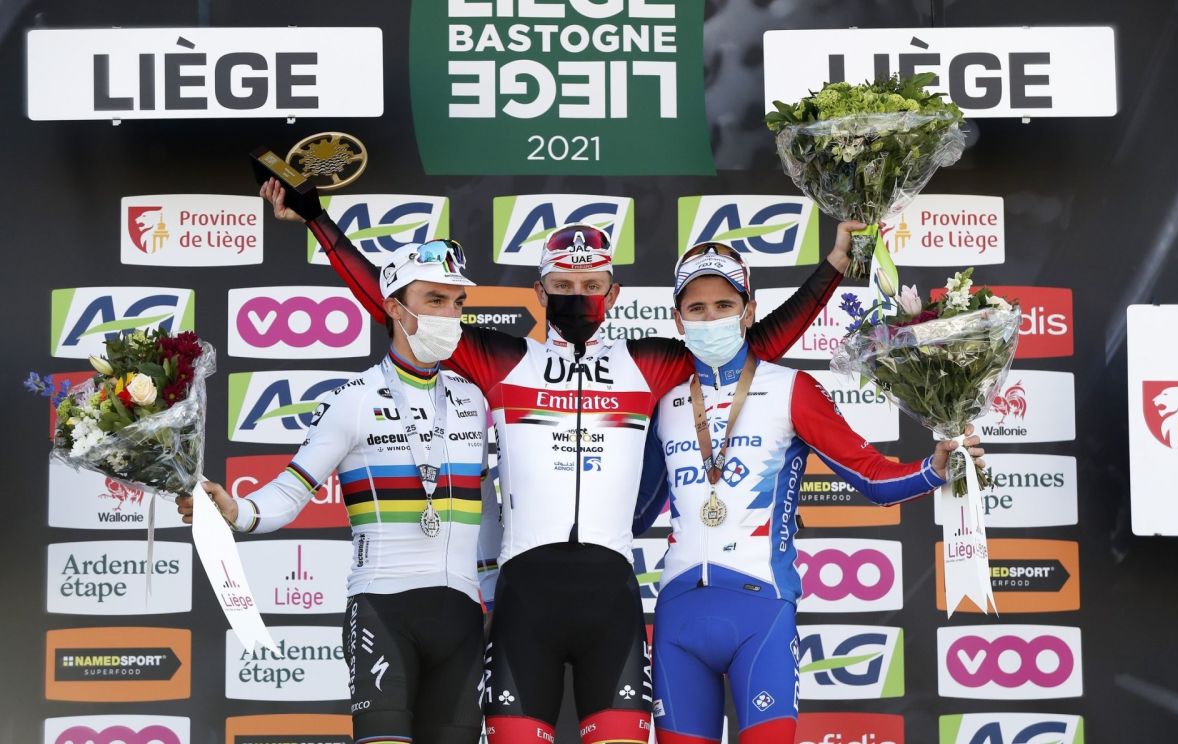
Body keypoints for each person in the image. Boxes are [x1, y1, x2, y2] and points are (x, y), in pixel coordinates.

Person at [259, 178, 853, 744]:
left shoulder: (645, 364)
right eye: (563, 285)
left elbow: (754, 349)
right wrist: (318, 221)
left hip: (611, 598)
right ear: (539, 293)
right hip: (524, 598)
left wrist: (831, 269)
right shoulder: (503, 360)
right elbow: (394, 306)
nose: (578, 296)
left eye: (591, 285)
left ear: (612, 294)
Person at [631, 245, 986, 744]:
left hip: (761, 611)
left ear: (749, 311)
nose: (711, 318)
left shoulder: (790, 388)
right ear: (678, 319)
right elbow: (632, 514)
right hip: (676, 616)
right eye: (697, 308)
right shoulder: (663, 401)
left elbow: (871, 478)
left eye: (724, 305)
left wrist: (934, 469)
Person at [177, 240, 500, 744]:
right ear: (394, 307)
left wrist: (495, 595)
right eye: (434, 300)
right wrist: (235, 509)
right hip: (383, 609)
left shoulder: (474, 399)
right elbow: (290, 491)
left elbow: (488, 510)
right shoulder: (353, 399)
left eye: (458, 303)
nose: (450, 315)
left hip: (461, 614)